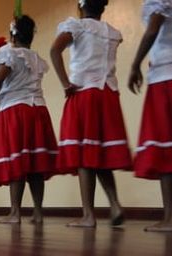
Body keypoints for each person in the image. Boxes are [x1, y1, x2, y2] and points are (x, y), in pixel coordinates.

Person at [50, 0, 132, 227]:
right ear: (103, 7)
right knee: (100, 153)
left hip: (84, 93)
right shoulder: (113, 32)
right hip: (108, 94)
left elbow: (54, 49)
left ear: (81, 6)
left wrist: (66, 83)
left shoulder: (77, 26)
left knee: (84, 156)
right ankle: (114, 204)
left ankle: (88, 215)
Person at [0, 15, 58, 224]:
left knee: (17, 161)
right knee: (35, 164)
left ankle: (15, 213)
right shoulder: (35, 57)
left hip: (17, 111)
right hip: (39, 110)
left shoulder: (9, 54)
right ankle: (37, 212)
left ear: (12, 34)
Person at [128, 0, 172, 232]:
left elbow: (153, 29)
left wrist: (135, 65)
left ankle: (170, 218)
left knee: (165, 150)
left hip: (166, 76)